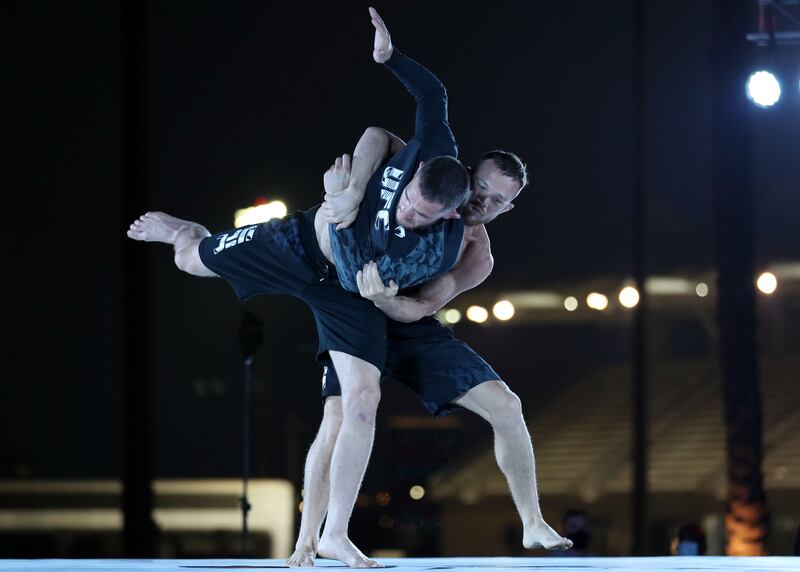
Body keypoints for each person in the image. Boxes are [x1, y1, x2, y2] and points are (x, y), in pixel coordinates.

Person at [127, 8, 470, 567]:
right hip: (294, 248)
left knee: (360, 401)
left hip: (349, 292)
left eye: (423, 215)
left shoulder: (436, 245)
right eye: (409, 198)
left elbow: (374, 269)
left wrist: (339, 199)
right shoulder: (433, 142)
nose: (409, 212)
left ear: (447, 215)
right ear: (422, 169)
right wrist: (389, 63)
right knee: (190, 261)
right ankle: (185, 230)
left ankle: (333, 534)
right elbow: (413, 107)